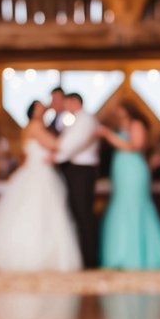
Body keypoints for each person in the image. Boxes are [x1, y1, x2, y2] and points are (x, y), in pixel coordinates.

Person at [0, 100, 81, 272]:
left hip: (37, 172)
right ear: (33, 111)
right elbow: (54, 144)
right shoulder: (36, 126)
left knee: (38, 214)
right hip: (39, 174)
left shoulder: (33, 127)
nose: (43, 107)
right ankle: (32, 257)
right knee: (38, 214)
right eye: (39, 106)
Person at [98, 102, 160, 270]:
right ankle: (120, 255)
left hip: (134, 170)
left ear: (128, 109)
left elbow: (135, 146)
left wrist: (109, 135)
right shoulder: (118, 126)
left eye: (119, 108)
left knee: (136, 208)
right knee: (120, 207)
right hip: (122, 171)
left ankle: (140, 256)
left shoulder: (136, 124)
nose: (117, 111)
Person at [53, 92, 102, 268]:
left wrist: (55, 156)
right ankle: (84, 256)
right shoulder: (76, 120)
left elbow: (71, 144)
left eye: (66, 103)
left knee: (84, 213)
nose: (65, 107)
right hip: (76, 170)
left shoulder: (85, 120)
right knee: (78, 213)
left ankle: (90, 259)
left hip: (82, 171)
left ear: (75, 101)